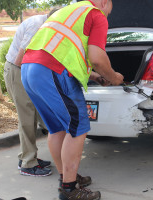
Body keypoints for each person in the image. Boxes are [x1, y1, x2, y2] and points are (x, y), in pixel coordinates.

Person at [21, 0, 123, 199]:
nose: (109, 14)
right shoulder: (96, 14)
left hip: (30, 69)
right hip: (52, 70)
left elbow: (66, 50)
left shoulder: (70, 10)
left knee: (57, 128)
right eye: (110, 8)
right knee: (78, 127)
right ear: (105, 2)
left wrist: (93, 76)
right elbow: (97, 58)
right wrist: (114, 77)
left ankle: (67, 177)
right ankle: (69, 190)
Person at [4, 9, 58, 177]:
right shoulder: (37, 26)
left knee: (35, 114)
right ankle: (28, 164)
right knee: (27, 118)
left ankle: (26, 157)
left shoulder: (45, 24)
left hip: (26, 71)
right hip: (18, 71)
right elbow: (20, 60)